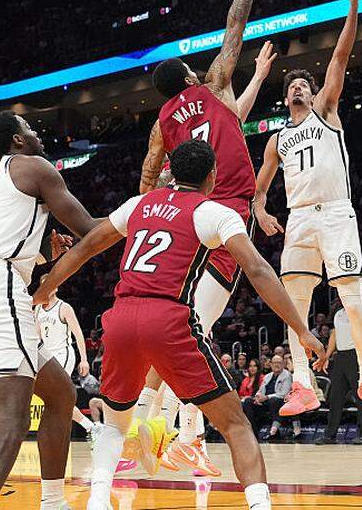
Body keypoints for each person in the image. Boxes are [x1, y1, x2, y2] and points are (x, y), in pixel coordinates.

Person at [32, 139, 326, 510]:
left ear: (169, 169)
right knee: (235, 423)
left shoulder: (138, 204)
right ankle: (260, 505)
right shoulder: (215, 212)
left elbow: (85, 247)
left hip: (121, 318)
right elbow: (257, 269)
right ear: (212, 176)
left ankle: (98, 499)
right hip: (168, 318)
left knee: (114, 423)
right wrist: (300, 328)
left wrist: (45, 289)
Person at [134, 0, 268, 477]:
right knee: (193, 327)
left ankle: (158, 429)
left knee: (187, 323)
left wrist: (155, 216)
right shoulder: (211, 85)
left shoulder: (163, 124)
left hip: (182, 218)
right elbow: (235, 26)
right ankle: (176, 433)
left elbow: (147, 179)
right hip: (228, 213)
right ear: (189, 77)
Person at [251, 0, 362, 420]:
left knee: (350, 297)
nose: (298, 88)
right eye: (292, 86)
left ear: (313, 95)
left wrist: (353, 3)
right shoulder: (276, 140)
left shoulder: (326, 112)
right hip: (299, 219)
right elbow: (260, 188)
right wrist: (262, 210)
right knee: (294, 306)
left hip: (335, 214)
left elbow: (342, 56)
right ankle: (304, 386)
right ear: (285, 97)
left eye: (304, 85)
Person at [0, 110, 100, 510]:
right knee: (12, 416)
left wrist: (42, 251)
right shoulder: (34, 167)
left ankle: (53, 502)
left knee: (61, 393)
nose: (37, 134)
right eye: (29, 129)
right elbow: (90, 229)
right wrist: (140, 215)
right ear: (16, 140)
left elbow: (6, 235)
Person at [34, 273, 95, 435]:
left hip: (63, 354)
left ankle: (89, 428)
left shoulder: (64, 307)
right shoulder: (38, 309)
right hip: (47, 355)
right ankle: (93, 428)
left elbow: (78, 334)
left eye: (53, 282)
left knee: (57, 394)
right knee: (55, 398)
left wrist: (84, 360)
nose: (50, 286)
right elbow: (37, 337)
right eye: (46, 283)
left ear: (57, 286)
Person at [314, 306, 362, 444]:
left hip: (356, 355)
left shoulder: (361, 310)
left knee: (361, 396)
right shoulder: (338, 313)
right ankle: (330, 435)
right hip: (340, 356)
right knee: (335, 397)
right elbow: (334, 334)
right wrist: (325, 357)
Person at [242, 354, 294, 439]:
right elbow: (260, 390)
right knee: (248, 401)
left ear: (283, 364)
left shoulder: (287, 375)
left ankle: (273, 432)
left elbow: (284, 393)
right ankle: (253, 433)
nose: (276, 365)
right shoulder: (268, 376)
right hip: (265, 402)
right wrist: (258, 397)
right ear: (271, 364)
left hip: (280, 402)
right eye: (274, 363)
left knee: (274, 400)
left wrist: (267, 397)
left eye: (279, 363)